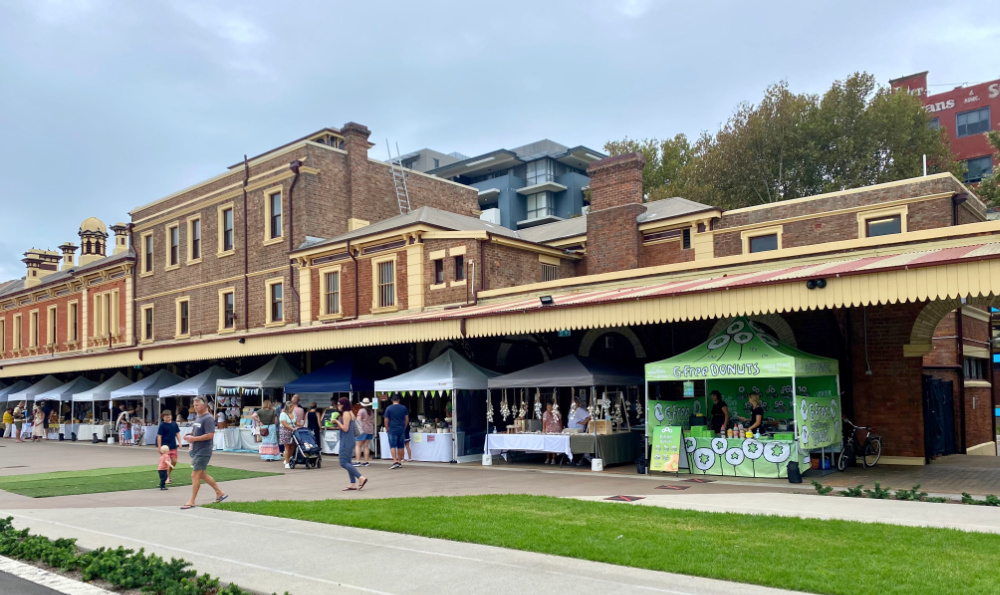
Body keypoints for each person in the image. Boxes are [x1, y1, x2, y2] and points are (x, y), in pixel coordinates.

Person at [181, 396, 227, 509]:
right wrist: (190, 436)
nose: (195, 407)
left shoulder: (208, 418)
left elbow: (210, 435)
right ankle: (219, 492)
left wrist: (194, 439)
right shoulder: (198, 417)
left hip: (204, 450)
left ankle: (192, 500)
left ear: (204, 405)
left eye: (197, 405)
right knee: (202, 475)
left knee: (195, 475)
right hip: (196, 449)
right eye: (194, 405)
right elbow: (196, 431)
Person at [332, 397, 367, 491]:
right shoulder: (350, 412)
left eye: (339, 404)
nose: (338, 406)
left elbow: (345, 428)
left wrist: (336, 421)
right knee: (348, 462)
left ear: (344, 405)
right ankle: (352, 483)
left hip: (346, 440)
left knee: (343, 462)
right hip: (350, 439)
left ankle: (360, 477)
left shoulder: (346, 413)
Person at [156, 410, 181, 485]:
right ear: (163, 417)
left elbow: (177, 433)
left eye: (169, 416)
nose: (168, 418)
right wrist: (159, 447)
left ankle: (168, 473)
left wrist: (180, 442)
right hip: (165, 447)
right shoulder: (162, 425)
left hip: (173, 445)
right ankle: (167, 477)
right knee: (165, 462)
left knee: (174, 461)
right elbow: (159, 436)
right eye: (166, 417)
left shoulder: (174, 424)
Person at [383, 395, 408, 469]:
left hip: (392, 429)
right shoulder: (403, 408)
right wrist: (404, 427)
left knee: (392, 445)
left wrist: (387, 428)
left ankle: (395, 461)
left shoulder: (389, 408)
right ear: (399, 400)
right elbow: (406, 419)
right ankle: (399, 461)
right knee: (400, 446)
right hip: (401, 429)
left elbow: (386, 420)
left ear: (392, 400)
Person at [567, 397, 592, 466]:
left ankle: (582, 459)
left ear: (577, 404)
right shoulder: (571, 410)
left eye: (574, 403)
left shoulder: (580, 410)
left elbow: (589, 416)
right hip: (571, 430)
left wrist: (584, 422)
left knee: (579, 445)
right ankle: (572, 459)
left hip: (578, 430)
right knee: (571, 445)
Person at [354, 399, 374, 466]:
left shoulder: (361, 411)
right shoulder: (371, 411)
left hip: (362, 429)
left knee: (358, 445)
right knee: (366, 446)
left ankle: (357, 461)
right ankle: (366, 461)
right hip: (370, 429)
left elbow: (358, 421)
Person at [279, 401, 297, 469]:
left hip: (292, 431)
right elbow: (284, 424)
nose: (293, 408)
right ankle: (287, 463)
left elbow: (295, 422)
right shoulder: (283, 414)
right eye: (292, 407)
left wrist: (300, 424)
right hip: (285, 431)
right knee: (287, 447)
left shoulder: (293, 413)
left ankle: (288, 458)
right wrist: (292, 428)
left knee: (292, 446)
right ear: (289, 407)